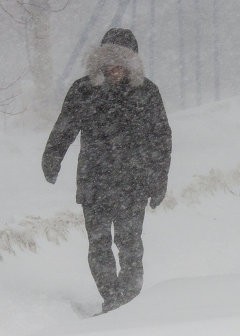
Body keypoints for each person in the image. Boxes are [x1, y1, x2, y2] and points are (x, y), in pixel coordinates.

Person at [42, 28, 172, 313]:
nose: (114, 68)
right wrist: (52, 157)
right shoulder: (84, 90)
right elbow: (65, 127)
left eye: (121, 62)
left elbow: (160, 138)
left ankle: (128, 300)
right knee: (99, 245)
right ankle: (112, 298)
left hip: (133, 183)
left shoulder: (147, 92)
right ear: (99, 61)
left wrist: (158, 179)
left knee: (129, 244)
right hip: (94, 182)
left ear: (132, 64)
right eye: (109, 61)